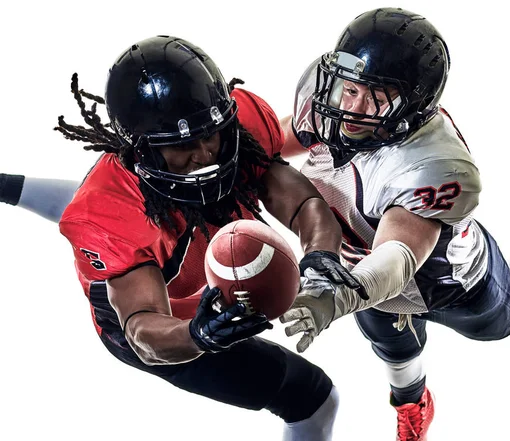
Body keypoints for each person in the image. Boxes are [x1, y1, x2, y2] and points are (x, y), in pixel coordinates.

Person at [0, 35, 366, 441]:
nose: (206, 153)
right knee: (312, 396)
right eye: (183, 145)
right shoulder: (110, 218)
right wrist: (199, 334)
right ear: (140, 152)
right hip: (155, 313)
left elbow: (303, 205)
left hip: (143, 223)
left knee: (132, 212)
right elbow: (143, 329)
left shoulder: (239, 122)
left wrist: (320, 256)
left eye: (211, 134)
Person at [277, 7, 510, 441]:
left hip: (450, 281)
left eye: (376, 97)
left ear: (411, 107)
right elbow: (269, 145)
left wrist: (339, 298)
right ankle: (414, 405)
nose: (353, 106)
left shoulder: (430, 161)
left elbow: (397, 257)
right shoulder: (330, 103)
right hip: (361, 265)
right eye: (350, 87)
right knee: (394, 349)